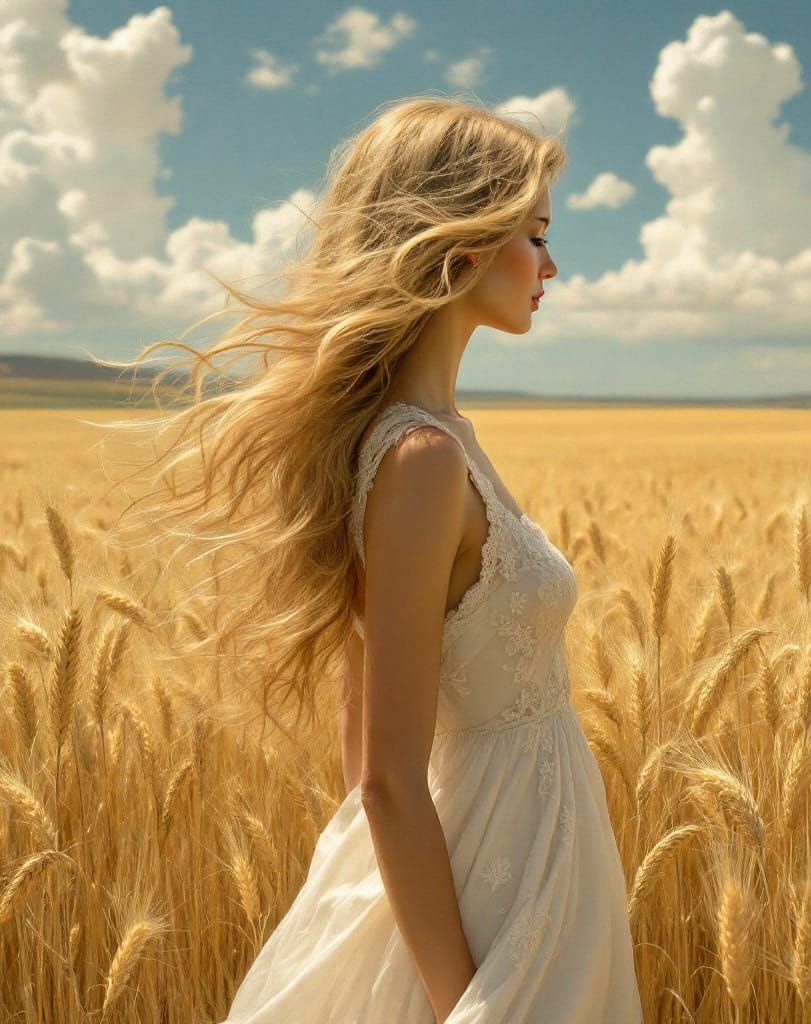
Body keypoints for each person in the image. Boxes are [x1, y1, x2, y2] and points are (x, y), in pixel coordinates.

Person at [99, 95, 643, 1023]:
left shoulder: (435, 440)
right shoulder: (420, 460)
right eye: (536, 235)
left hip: (528, 855)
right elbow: (385, 778)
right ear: (461, 242)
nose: (551, 265)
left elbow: (362, 744)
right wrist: (466, 1003)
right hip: (498, 876)